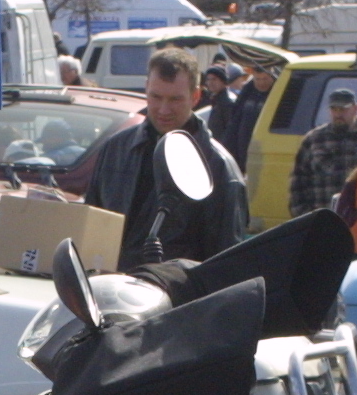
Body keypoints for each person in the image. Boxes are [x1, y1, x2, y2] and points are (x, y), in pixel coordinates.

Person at [83, 48, 247, 262]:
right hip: (110, 280)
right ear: (146, 90)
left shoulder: (218, 167)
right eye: (156, 97)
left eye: (175, 99)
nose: (164, 109)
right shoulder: (115, 149)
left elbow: (226, 260)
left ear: (196, 96)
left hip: (173, 283)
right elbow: (91, 226)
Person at [288, 86, 357, 217]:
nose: (338, 114)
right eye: (334, 109)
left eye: (343, 109)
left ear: (356, 109)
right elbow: (298, 180)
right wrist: (303, 215)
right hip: (323, 216)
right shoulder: (314, 139)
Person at [221, 62, 275, 167]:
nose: (261, 83)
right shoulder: (247, 90)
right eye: (258, 79)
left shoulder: (278, 90)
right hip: (244, 149)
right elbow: (235, 121)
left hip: (267, 148)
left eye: (265, 79)